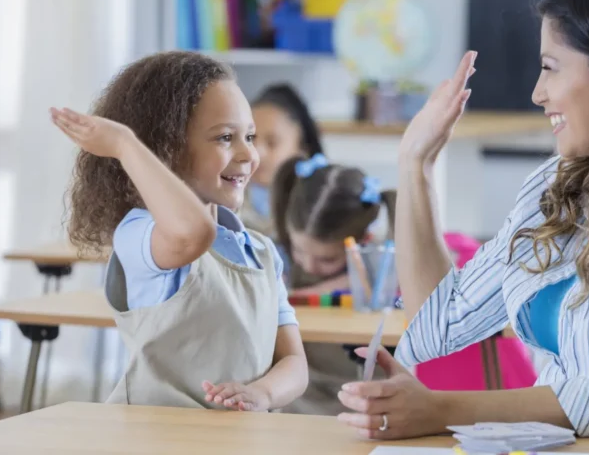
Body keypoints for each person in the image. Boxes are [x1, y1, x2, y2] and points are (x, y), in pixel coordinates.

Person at [336, 0, 589, 452]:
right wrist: (415, 164)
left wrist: (439, 410)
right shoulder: (556, 186)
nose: (537, 93)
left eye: (550, 68)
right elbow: (439, 324)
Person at [51, 52, 308, 410]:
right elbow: (193, 234)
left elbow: (294, 363)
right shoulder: (139, 234)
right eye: (224, 138)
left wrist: (262, 394)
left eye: (249, 136)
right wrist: (125, 146)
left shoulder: (261, 252)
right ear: (165, 149)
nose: (248, 153)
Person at [271, 153, 396, 415]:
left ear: (363, 240)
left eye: (327, 259)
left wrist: (346, 281)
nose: (310, 265)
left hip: (361, 404)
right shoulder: (277, 258)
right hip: (297, 402)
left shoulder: (380, 266)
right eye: (299, 250)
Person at [240, 83, 324, 239]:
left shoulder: (323, 207)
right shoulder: (222, 206)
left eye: (272, 142)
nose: (256, 153)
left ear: (302, 149)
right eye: (250, 138)